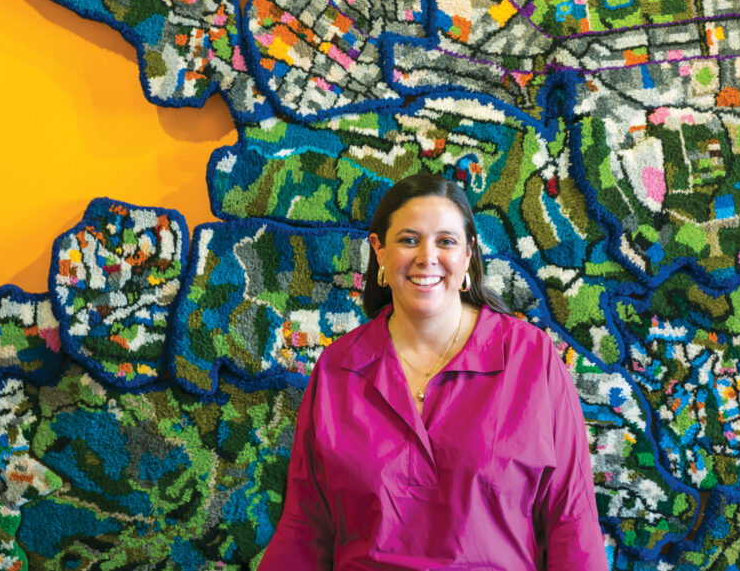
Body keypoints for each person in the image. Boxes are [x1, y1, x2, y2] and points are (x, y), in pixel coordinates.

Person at [257, 174, 608, 570]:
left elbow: (571, 519)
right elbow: (305, 526)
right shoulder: (337, 368)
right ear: (380, 250)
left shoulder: (532, 358)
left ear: (468, 253)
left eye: (446, 241)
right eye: (409, 240)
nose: (427, 257)